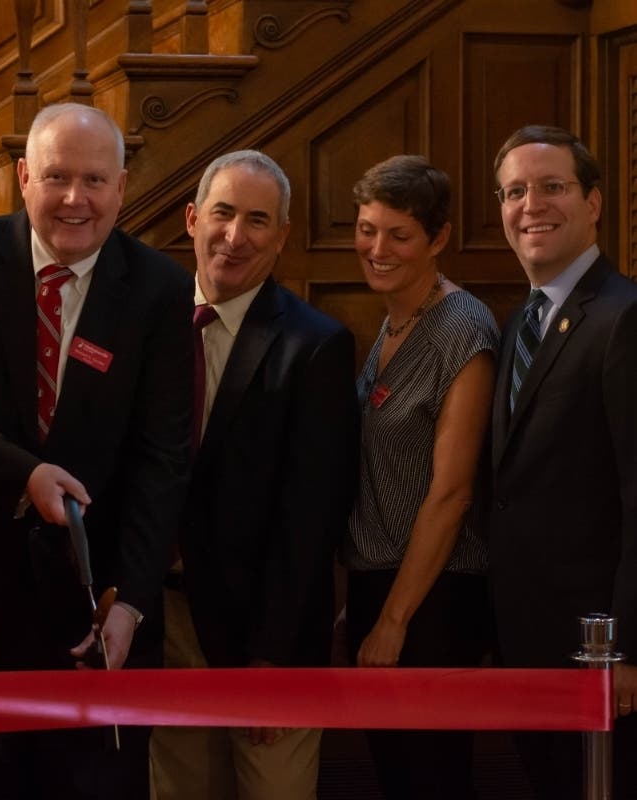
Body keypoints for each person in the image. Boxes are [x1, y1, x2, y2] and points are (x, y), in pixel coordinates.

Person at [0, 102, 192, 799]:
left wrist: (130, 602)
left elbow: (162, 456)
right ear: (21, 177)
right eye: (56, 177)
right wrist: (28, 472)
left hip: (96, 607)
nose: (75, 199)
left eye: (94, 181)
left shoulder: (160, 288)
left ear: (122, 187)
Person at [149, 150, 359, 800]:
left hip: (264, 636)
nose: (234, 236)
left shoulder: (314, 345)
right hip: (166, 621)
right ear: (191, 218)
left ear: (282, 236)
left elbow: (308, 520)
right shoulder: (145, 329)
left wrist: (272, 656)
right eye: (222, 213)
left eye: (257, 220)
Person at [342, 155, 499, 799]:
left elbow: (453, 491)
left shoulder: (465, 329)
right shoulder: (391, 319)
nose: (376, 249)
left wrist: (394, 621)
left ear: (437, 239)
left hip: (435, 599)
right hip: (378, 582)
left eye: (398, 235)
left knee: (432, 780)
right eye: (366, 228)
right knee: (394, 777)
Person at [488, 125, 637, 799]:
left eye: (551, 187)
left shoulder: (622, 317)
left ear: (594, 202)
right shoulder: (519, 320)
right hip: (525, 640)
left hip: (599, 653)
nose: (530, 206)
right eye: (514, 191)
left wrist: (627, 649)